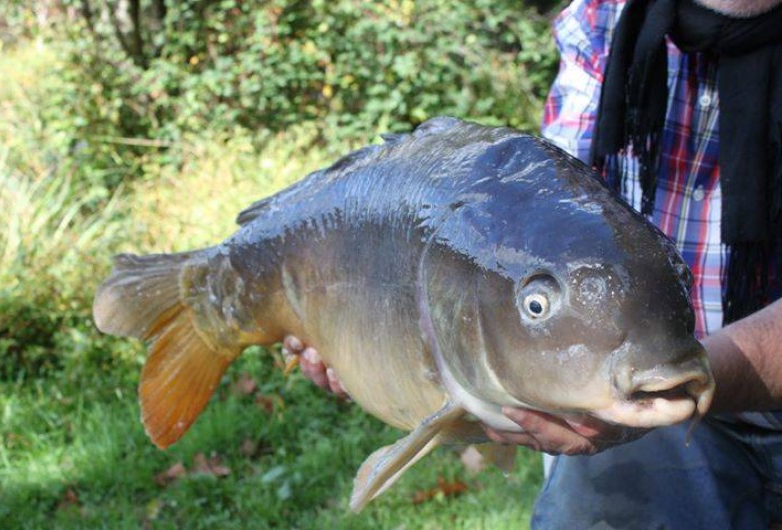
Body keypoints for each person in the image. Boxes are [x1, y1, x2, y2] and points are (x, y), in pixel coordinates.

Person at [287, 0, 782, 527]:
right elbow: (548, 228)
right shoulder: (606, 16)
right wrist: (357, 343)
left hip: (687, 363)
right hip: (646, 392)